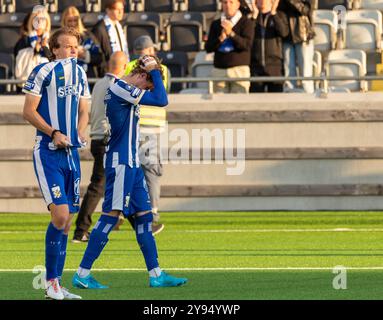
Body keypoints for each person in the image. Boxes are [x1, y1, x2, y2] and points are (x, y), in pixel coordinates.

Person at [72, 55, 188, 289]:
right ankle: (82, 274)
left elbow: (158, 96)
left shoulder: (122, 88)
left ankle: (156, 274)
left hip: (132, 164)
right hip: (121, 162)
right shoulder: (120, 88)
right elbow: (161, 99)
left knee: (144, 217)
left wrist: (152, 72)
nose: (147, 90)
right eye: (148, 84)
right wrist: (155, 70)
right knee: (111, 215)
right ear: (143, 76)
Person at [22, 27, 90, 300]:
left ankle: (57, 284)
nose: (73, 50)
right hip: (48, 151)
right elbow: (28, 111)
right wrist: (54, 133)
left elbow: (84, 109)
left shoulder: (81, 73)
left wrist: (80, 132)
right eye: (67, 46)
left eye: (75, 46)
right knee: (60, 216)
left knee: (67, 221)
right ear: (55, 50)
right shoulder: (43, 71)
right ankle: (50, 281)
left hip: (71, 154)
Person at [72, 51, 128, 244]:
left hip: (98, 138)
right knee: (98, 186)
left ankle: (122, 217)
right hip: (107, 139)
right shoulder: (116, 86)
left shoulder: (99, 84)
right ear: (123, 66)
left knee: (113, 182)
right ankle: (81, 230)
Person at [125, 35, 170, 231]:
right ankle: (151, 215)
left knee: (131, 171)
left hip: (133, 125)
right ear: (152, 49)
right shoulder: (161, 68)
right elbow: (161, 92)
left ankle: (122, 212)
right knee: (151, 172)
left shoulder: (129, 66)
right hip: (153, 127)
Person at [205, 0, 255, 93]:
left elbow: (247, 45)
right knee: (218, 105)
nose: (228, 5)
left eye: (231, 2)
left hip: (239, 71)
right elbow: (208, 48)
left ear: (238, 4)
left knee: (239, 105)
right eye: (225, 2)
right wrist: (220, 38)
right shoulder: (216, 24)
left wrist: (231, 34)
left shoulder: (246, 23)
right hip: (219, 71)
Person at [250, 0, 289, 92]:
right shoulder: (252, 18)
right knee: (256, 102)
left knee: (276, 102)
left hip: (275, 67)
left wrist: (273, 13)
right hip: (256, 67)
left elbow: (284, 33)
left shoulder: (279, 15)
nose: (262, 1)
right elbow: (248, 36)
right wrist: (254, 16)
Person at [278, 0, 315, 93]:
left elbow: (305, 10)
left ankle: (308, 96)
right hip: (286, 35)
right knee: (288, 70)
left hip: (303, 34)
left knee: (305, 71)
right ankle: (289, 95)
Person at [14, 5, 52, 92]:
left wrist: (45, 48)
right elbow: (20, 66)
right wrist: (35, 50)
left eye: (42, 19)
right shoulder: (24, 41)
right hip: (26, 87)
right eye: (36, 19)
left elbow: (53, 60)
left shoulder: (53, 41)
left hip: (47, 87)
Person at [61, 6, 103, 79]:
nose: (73, 24)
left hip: (87, 78)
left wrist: (85, 55)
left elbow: (99, 58)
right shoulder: (59, 37)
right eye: (69, 21)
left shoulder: (88, 35)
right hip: (66, 77)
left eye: (75, 20)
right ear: (64, 21)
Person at [92, 0, 130, 77]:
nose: (120, 12)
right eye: (117, 9)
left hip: (122, 72)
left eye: (122, 9)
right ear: (108, 10)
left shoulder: (118, 26)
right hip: (108, 73)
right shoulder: (99, 29)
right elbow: (98, 55)